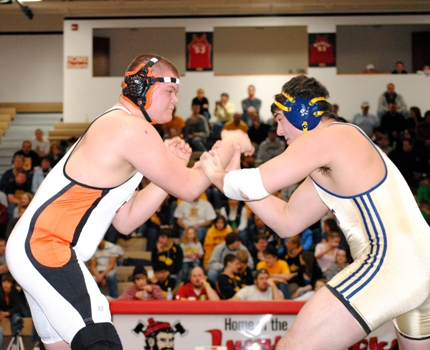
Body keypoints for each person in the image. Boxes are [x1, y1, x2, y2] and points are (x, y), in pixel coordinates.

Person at [6, 54, 253, 350]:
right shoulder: (130, 128)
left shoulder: (124, 127)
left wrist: (169, 172)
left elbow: (126, 220)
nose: (176, 101)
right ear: (142, 87)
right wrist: (229, 144)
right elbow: (189, 188)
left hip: (38, 248)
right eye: (170, 91)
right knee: (100, 339)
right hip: (45, 246)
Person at [200, 74, 430, 349]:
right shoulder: (336, 155)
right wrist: (232, 174)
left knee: (293, 347)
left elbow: (252, 185)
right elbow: (286, 221)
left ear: (302, 114)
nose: (280, 131)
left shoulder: (331, 136)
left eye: (280, 119)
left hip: (391, 264)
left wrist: (214, 172)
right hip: (417, 266)